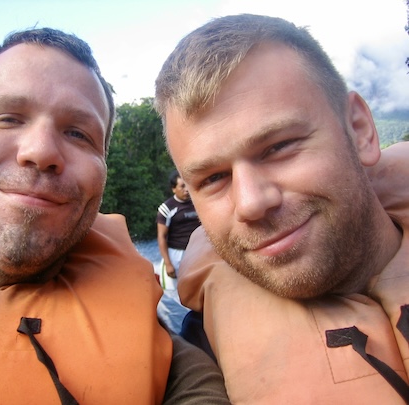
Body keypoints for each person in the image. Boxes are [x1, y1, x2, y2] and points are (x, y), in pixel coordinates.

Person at [0, 28, 231, 405]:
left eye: (77, 134)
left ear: (103, 175)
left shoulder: (168, 364)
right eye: (8, 118)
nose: (41, 151)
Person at [154, 13, 409, 404]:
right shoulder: (193, 363)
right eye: (213, 178)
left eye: (278, 147)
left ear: (359, 130)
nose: (251, 203)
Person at [155, 170, 200, 333]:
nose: (186, 189)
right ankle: (176, 332)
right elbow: (161, 236)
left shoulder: (197, 202)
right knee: (173, 295)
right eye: (182, 186)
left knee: (198, 289)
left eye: (187, 185)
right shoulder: (167, 208)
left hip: (197, 252)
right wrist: (168, 263)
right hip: (175, 254)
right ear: (174, 189)